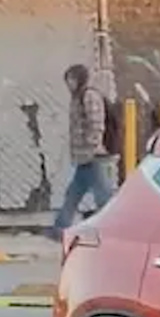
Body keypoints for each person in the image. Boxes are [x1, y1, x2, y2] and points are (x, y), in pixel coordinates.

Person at [50, 64, 120, 236]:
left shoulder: (89, 96)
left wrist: (93, 145)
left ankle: (111, 229)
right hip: (84, 157)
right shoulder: (77, 97)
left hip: (94, 155)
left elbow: (96, 123)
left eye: (71, 80)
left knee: (102, 195)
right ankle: (61, 226)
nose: (68, 84)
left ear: (79, 79)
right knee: (74, 193)